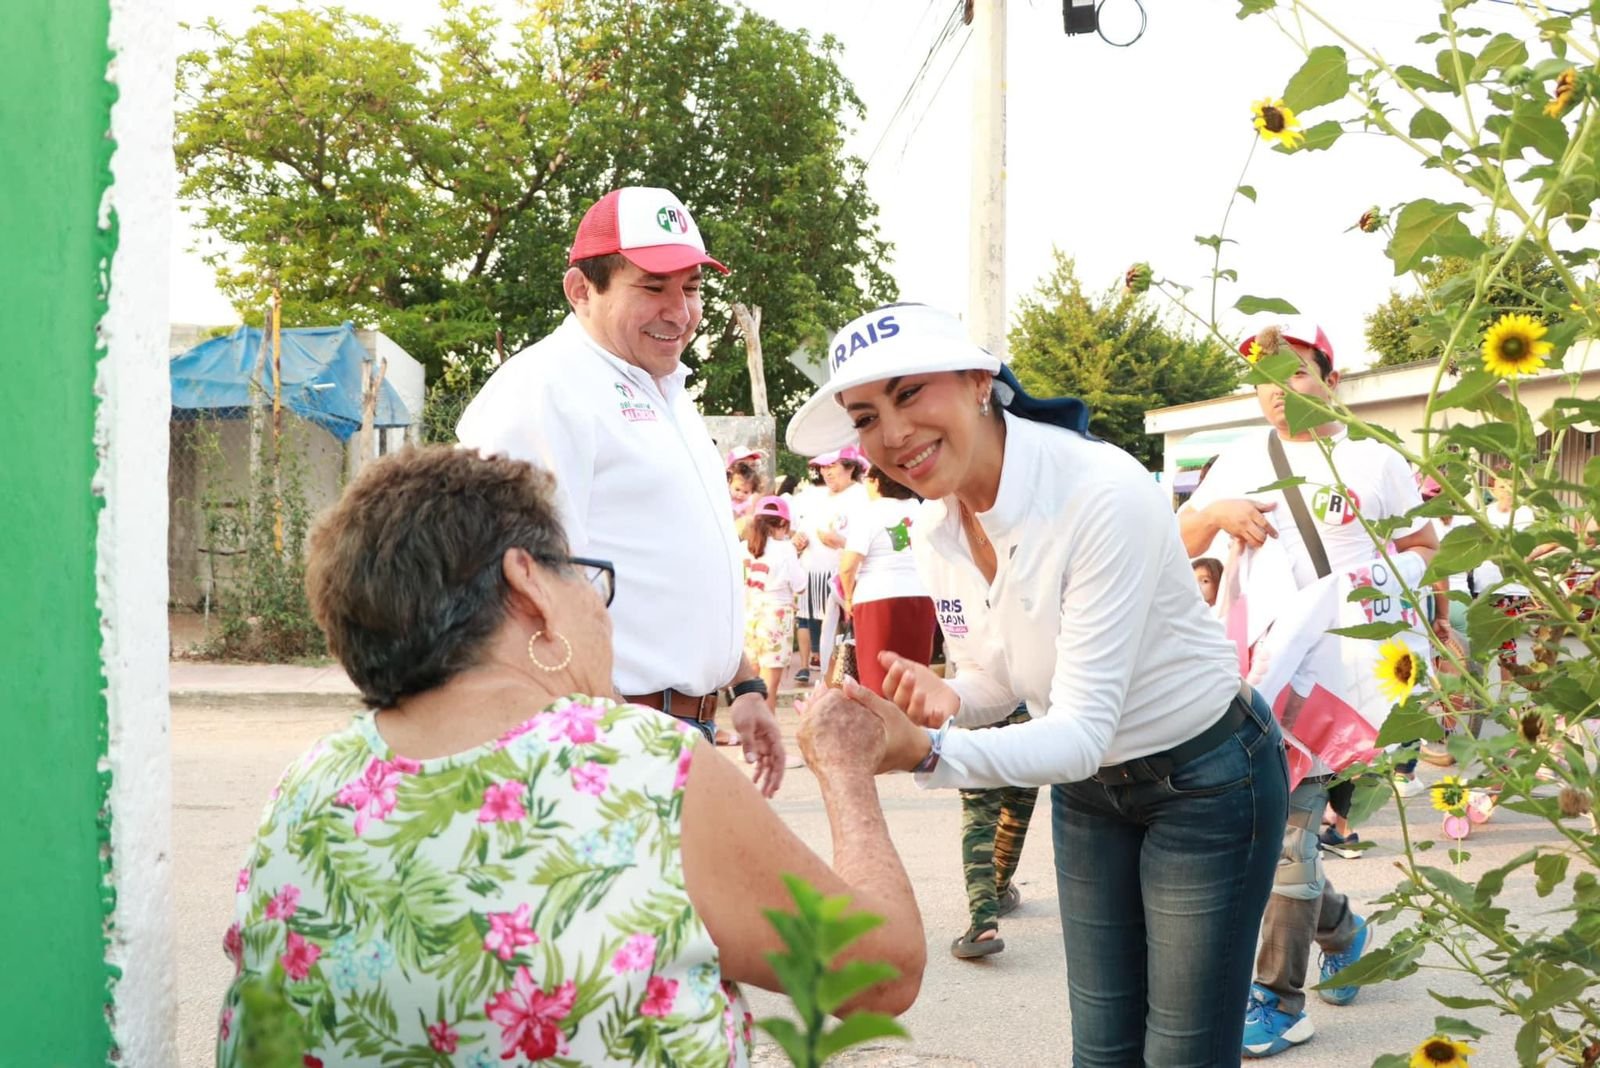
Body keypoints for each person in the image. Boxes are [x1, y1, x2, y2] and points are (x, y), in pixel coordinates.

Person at [215, 447, 925, 1065]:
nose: (599, 608)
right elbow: (881, 972)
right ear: (528, 582)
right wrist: (845, 767)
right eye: (583, 574)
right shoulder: (640, 770)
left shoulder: (307, 786)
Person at [787, 303, 1288, 1067]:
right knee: (1103, 1050)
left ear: (979, 381)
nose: (892, 432)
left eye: (910, 393)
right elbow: (1000, 674)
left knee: (1181, 1054)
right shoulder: (936, 526)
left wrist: (926, 749)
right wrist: (952, 697)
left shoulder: (1100, 492)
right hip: (1092, 791)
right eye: (865, 417)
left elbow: (1080, 731)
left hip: (1208, 779)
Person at [455, 186, 785, 787]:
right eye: (653, 287)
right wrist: (609, 733)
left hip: (676, 727)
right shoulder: (544, 388)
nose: (680, 312)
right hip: (609, 739)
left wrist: (744, 685)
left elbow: (673, 568)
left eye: (691, 288)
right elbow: (505, 585)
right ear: (581, 290)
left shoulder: (664, 390)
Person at [1178, 320, 1438, 1058]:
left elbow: (1425, 547)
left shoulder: (1374, 457)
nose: (1277, 391)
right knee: (1263, 837)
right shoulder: (1237, 460)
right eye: (1263, 378)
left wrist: (1368, 592)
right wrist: (1214, 515)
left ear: (1331, 377)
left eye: (1293, 372)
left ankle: (1278, 999)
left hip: (1340, 682)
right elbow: (1177, 542)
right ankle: (1344, 931)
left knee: (1291, 837)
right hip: (1256, 679)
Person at [837, 465, 936, 697]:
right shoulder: (922, 511)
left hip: (876, 595)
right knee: (914, 677)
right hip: (921, 593)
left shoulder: (872, 512)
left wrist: (849, 598)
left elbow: (848, 566)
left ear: (877, 482)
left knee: (877, 678)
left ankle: (880, 720)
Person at [792, 446, 869, 683]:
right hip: (813, 572)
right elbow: (803, 530)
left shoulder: (861, 496)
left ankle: (848, 680)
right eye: (823, 467)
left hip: (844, 575)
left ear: (850, 467)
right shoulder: (818, 496)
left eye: (832, 466)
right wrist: (798, 540)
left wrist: (842, 543)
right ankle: (827, 680)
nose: (826, 472)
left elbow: (867, 540)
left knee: (844, 633)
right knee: (819, 629)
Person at [742, 496, 805, 713]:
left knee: (751, 683)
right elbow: (800, 585)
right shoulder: (785, 549)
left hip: (750, 614)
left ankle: (749, 728)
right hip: (776, 617)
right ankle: (766, 728)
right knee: (769, 685)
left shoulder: (745, 547)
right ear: (783, 523)